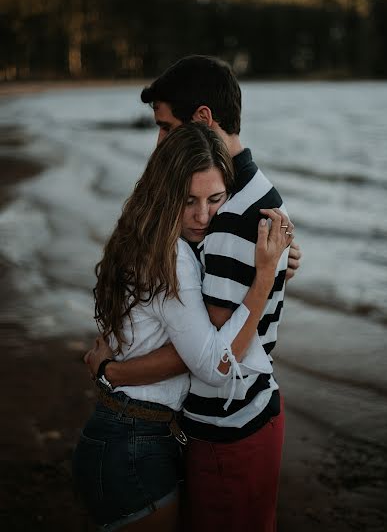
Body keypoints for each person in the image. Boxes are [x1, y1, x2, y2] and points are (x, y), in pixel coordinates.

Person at [85, 55, 301, 531]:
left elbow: (210, 356)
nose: (159, 141)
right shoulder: (242, 200)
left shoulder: (230, 218)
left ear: (202, 120)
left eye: (165, 128)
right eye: (191, 202)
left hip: (230, 423)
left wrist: (111, 369)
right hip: (228, 416)